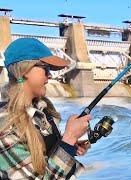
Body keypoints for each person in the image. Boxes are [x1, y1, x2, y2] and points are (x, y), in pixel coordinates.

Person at [0, 38, 91, 179]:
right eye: (46, 68)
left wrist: (70, 145)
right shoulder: (5, 126)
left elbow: (47, 158)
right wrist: (68, 139)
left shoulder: (41, 111)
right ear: (25, 70)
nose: (50, 75)